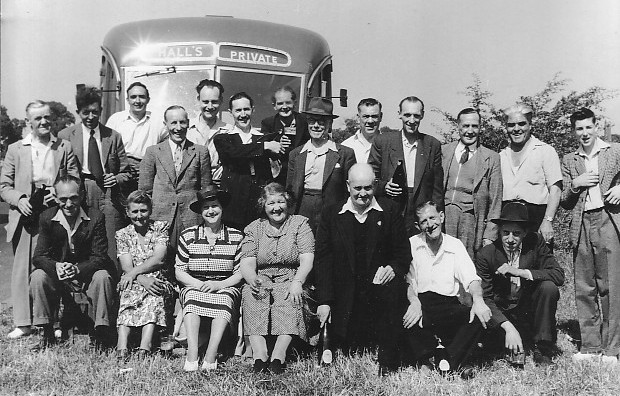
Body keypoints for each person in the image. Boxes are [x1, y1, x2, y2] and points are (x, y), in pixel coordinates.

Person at [315, 163, 411, 375]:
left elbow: (403, 255)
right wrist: (324, 300)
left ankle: (387, 361)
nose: (363, 193)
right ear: (348, 185)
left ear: (376, 185)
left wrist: (392, 268)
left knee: (393, 287)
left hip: (378, 292)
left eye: (368, 188)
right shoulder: (332, 213)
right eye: (357, 188)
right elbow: (323, 259)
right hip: (344, 293)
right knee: (348, 343)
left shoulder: (390, 210)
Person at [0, 100, 79, 339]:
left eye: (47, 117)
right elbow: (4, 185)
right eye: (37, 119)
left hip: (54, 211)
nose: (43, 122)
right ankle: (23, 323)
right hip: (25, 214)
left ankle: (52, 321)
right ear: (28, 122)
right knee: (23, 268)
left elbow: (74, 177)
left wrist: (58, 194)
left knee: (50, 266)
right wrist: (19, 199)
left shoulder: (63, 146)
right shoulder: (16, 148)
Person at [403, 201, 491, 376]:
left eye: (433, 218)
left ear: (442, 217)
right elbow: (407, 281)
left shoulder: (455, 245)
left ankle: (444, 360)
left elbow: (472, 280)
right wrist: (414, 302)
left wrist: (479, 300)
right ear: (417, 225)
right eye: (424, 221)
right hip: (422, 305)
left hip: (448, 306)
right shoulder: (411, 244)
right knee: (405, 316)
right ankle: (451, 361)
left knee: (477, 317)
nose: (430, 225)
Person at [560, 108, 620, 363]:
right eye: (579, 129)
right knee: (584, 287)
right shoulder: (570, 160)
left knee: (610, 287)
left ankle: (612, 348)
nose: (584, 133)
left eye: (588, 127)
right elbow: (563, 199)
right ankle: (590, 346)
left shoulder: (614, 151)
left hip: (608, 220)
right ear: (574, 131)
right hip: (581, 222)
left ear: (597, 126)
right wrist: (576, 183)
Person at [30, 175, 116, 349]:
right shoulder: (47, 217)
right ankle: (46, 332)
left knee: (103, 277)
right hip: (59, 276)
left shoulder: (96, 216)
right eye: (63, 199)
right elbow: (39, 256)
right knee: (38, 276)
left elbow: (100, 256)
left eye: (73, 198)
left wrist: (77, 269)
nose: (68, 204)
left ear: (82, 195)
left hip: (86, 274)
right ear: (55, 198)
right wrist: (57, 267)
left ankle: (101, 334)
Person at [475, 202, 564, 366]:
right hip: (502, 314)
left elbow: (559, 276)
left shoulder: (535, 243)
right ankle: (507, 341)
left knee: (548, 287)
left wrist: (522, 272)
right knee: (492, 347)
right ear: (499, 231)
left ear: (525, 233)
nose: (510, 239)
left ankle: (543, 348)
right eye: (505, 233)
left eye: (516, 234)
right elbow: (486, 298)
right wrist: (508, 327)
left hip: (527, 311)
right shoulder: (486, 255)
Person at [239, 183, 314, 374]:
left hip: (291, 276)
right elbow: (247, 263)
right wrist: (252, 279)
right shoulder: (254, 228)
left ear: (287, 203)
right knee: (251, 294)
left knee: (290, 297)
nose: (276, 207)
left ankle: (278, 356)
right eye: (271, 203)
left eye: (281, 201)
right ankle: (260, 355)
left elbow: (307, 259)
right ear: (264, 205)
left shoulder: (300, 224)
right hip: (262, 276)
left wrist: (298, 281)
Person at [58, 86, 132, 273]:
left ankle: (113, 287)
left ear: (100, 111)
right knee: (80, 241)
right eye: (86, 112)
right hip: (79, 192)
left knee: (111, 241)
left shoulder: (113, 136)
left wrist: (115, 179)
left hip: (107, 194)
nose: (91, 117)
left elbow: (127, 172)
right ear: (78, 112)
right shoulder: (65, 136)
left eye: (95, 112)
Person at [175, 186, 244, 372]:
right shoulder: (188, 235)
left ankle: (211, 355)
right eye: (206, 208)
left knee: (224, 299)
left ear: (222, 208)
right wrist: (199, 285)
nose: (211, 211)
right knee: (190, 297)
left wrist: (218, 285)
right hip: (195, 283)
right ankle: (192, 354)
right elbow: (179, 271)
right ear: (201, 212)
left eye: (215, 206)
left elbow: (239, 273)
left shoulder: (236, 237)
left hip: (225, 284)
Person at [138, 105, 211, 252]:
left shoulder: (200, 151)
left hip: (191, 217)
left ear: (188, 123)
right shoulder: (153, 152)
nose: (178, 127)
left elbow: (206, 189)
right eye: (173, 123)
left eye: (182, 122)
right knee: (162, 261)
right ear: (165, 125)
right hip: (160, 217)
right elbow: (144, 191)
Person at [369, 96, 444, 236]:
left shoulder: (432, 145)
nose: (411, 120)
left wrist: (436, 219)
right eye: (407, 115)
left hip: (420, 214)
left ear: (422, 115)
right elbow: (370, 178)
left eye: (416, 115)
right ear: (399, 114)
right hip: (390, 210)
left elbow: (437, 190)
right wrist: (384, 186)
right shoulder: (382, 141)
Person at [115, 190, 173, 359]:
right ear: (127, 212)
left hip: (159, 278)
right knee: (127, 288)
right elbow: (126, 265)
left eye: (143, 211)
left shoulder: (160, 228)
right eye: (135, 211)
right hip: (133, 279)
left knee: (153, 290)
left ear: (150, 210)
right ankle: (122, 346)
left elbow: (159, 259)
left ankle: (145, 346)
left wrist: (142, 278)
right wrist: (141, 279)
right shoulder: (123, 234)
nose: (139, 216)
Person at [214, 92, 283, 230]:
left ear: (253, 110)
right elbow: (234, 153)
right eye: (238, 110)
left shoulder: (263, 137)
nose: (243, 114)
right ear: (231, 112)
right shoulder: (223, 138)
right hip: (233, 201)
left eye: (246, 109)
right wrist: (264, 147)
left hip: (258, 200)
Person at [287, 97, 356, 232]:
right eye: (312, 121)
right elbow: (290, 189)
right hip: (302, 208)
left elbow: (350, 190)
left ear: (329, 124)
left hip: (331, 209)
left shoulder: (344, 154)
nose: (316, 126)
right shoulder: (296, 154)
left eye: (322, 122)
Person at [442, 108, 502, 258]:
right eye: (466, 126)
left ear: (480, 127)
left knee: (466, 265)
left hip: (471, 222)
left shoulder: (491, 158)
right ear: (458, 127)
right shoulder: (444, 151)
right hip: (443, 219)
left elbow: (496, 200)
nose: (470, 131)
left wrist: (489, 234)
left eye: (474, 126)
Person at [499, 103, 562, 243]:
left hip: (536, 218)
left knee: (537, 262)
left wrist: (548, 221)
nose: (516, 129)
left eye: (522, 124)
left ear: (530, 125)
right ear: (506, 127)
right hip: (508, 219)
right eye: (511, 125)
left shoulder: (545, 151)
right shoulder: (501, 155)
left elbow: (555, 190)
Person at [105, 82, 168, 194]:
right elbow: (105, 147)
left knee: (143, 205)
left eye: (142, 97)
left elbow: (169, 143)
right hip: (121, 170)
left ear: (148, 99)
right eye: (133, 97)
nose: (137, 101)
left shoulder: (158, 121)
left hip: (146, 170)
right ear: (127, 100)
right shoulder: (116, 119)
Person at [260, 86, 310, 185]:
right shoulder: (268, 123)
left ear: (294, 103)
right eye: (280, 103)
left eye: (288, 102)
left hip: (302, 173)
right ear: (274, 106)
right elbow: (264, 147)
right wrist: (277, 141)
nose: (284, 107)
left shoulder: (305, 121)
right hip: (279, 175)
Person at [187, 79, 232, 187]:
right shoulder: (186, 128)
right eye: (205, 102)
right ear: (198, 100)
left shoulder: (229, 131)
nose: (210, 106)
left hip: (217, 186)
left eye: (214, 102)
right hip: (189, 185)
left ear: (221, 101)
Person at [342, 98, 383, 163]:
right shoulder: (346, 146)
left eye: (374, 116)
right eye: (366, 116)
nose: (370, 121)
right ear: (358, 118)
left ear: (381, 117)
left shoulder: (389, 146)